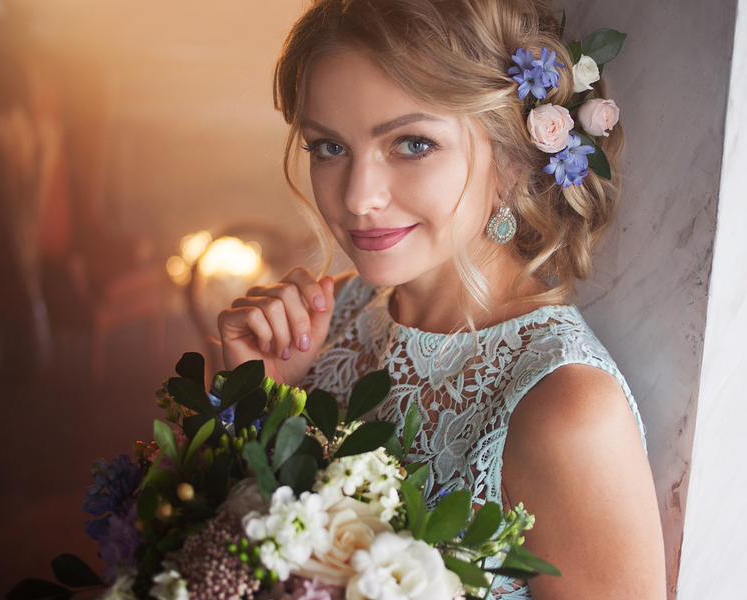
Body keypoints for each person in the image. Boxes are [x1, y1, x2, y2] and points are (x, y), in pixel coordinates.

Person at [218, 0, 666, 597]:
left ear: (510, 156)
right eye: (328, 147)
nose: (358, 197)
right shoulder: (338, 315)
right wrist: (263, 399)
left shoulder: (565, 411)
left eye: (411, 144)